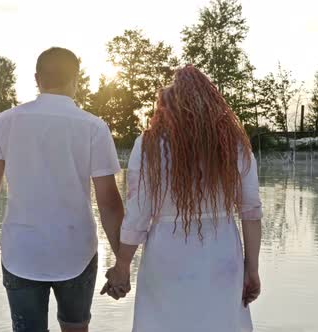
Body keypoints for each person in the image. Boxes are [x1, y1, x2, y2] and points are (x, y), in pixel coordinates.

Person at [0, 47, 125, 332]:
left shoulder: (5, 122)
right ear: (76, 80)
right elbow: (109, 203)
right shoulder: (94, 127)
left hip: (22, 253)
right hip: (76, 251)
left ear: (36, 78)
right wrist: (121, 261)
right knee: (76, 328)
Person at [102, 65, 263, 332]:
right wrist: (252, 269)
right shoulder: (234, 144)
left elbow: (139, 214)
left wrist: (122, 265)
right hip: (222, 254)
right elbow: (251, 211)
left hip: (167, 255)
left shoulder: (150, 144)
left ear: (167, 104)